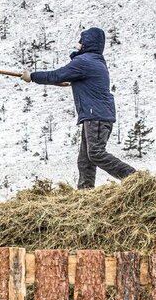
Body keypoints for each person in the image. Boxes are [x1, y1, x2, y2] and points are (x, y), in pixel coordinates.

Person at [22, 27, 136, 189]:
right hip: (96, 115)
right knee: (85, 160)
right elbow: (72, 79)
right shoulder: (96, 61)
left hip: (96, 115)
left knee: (95, 153)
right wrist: (68, 81)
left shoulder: (84, 62)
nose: (78, 44)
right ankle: (85, 193)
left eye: (81, 41)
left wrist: (32, 77)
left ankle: (133, 177)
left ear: (87, 43)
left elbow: (56, 75)